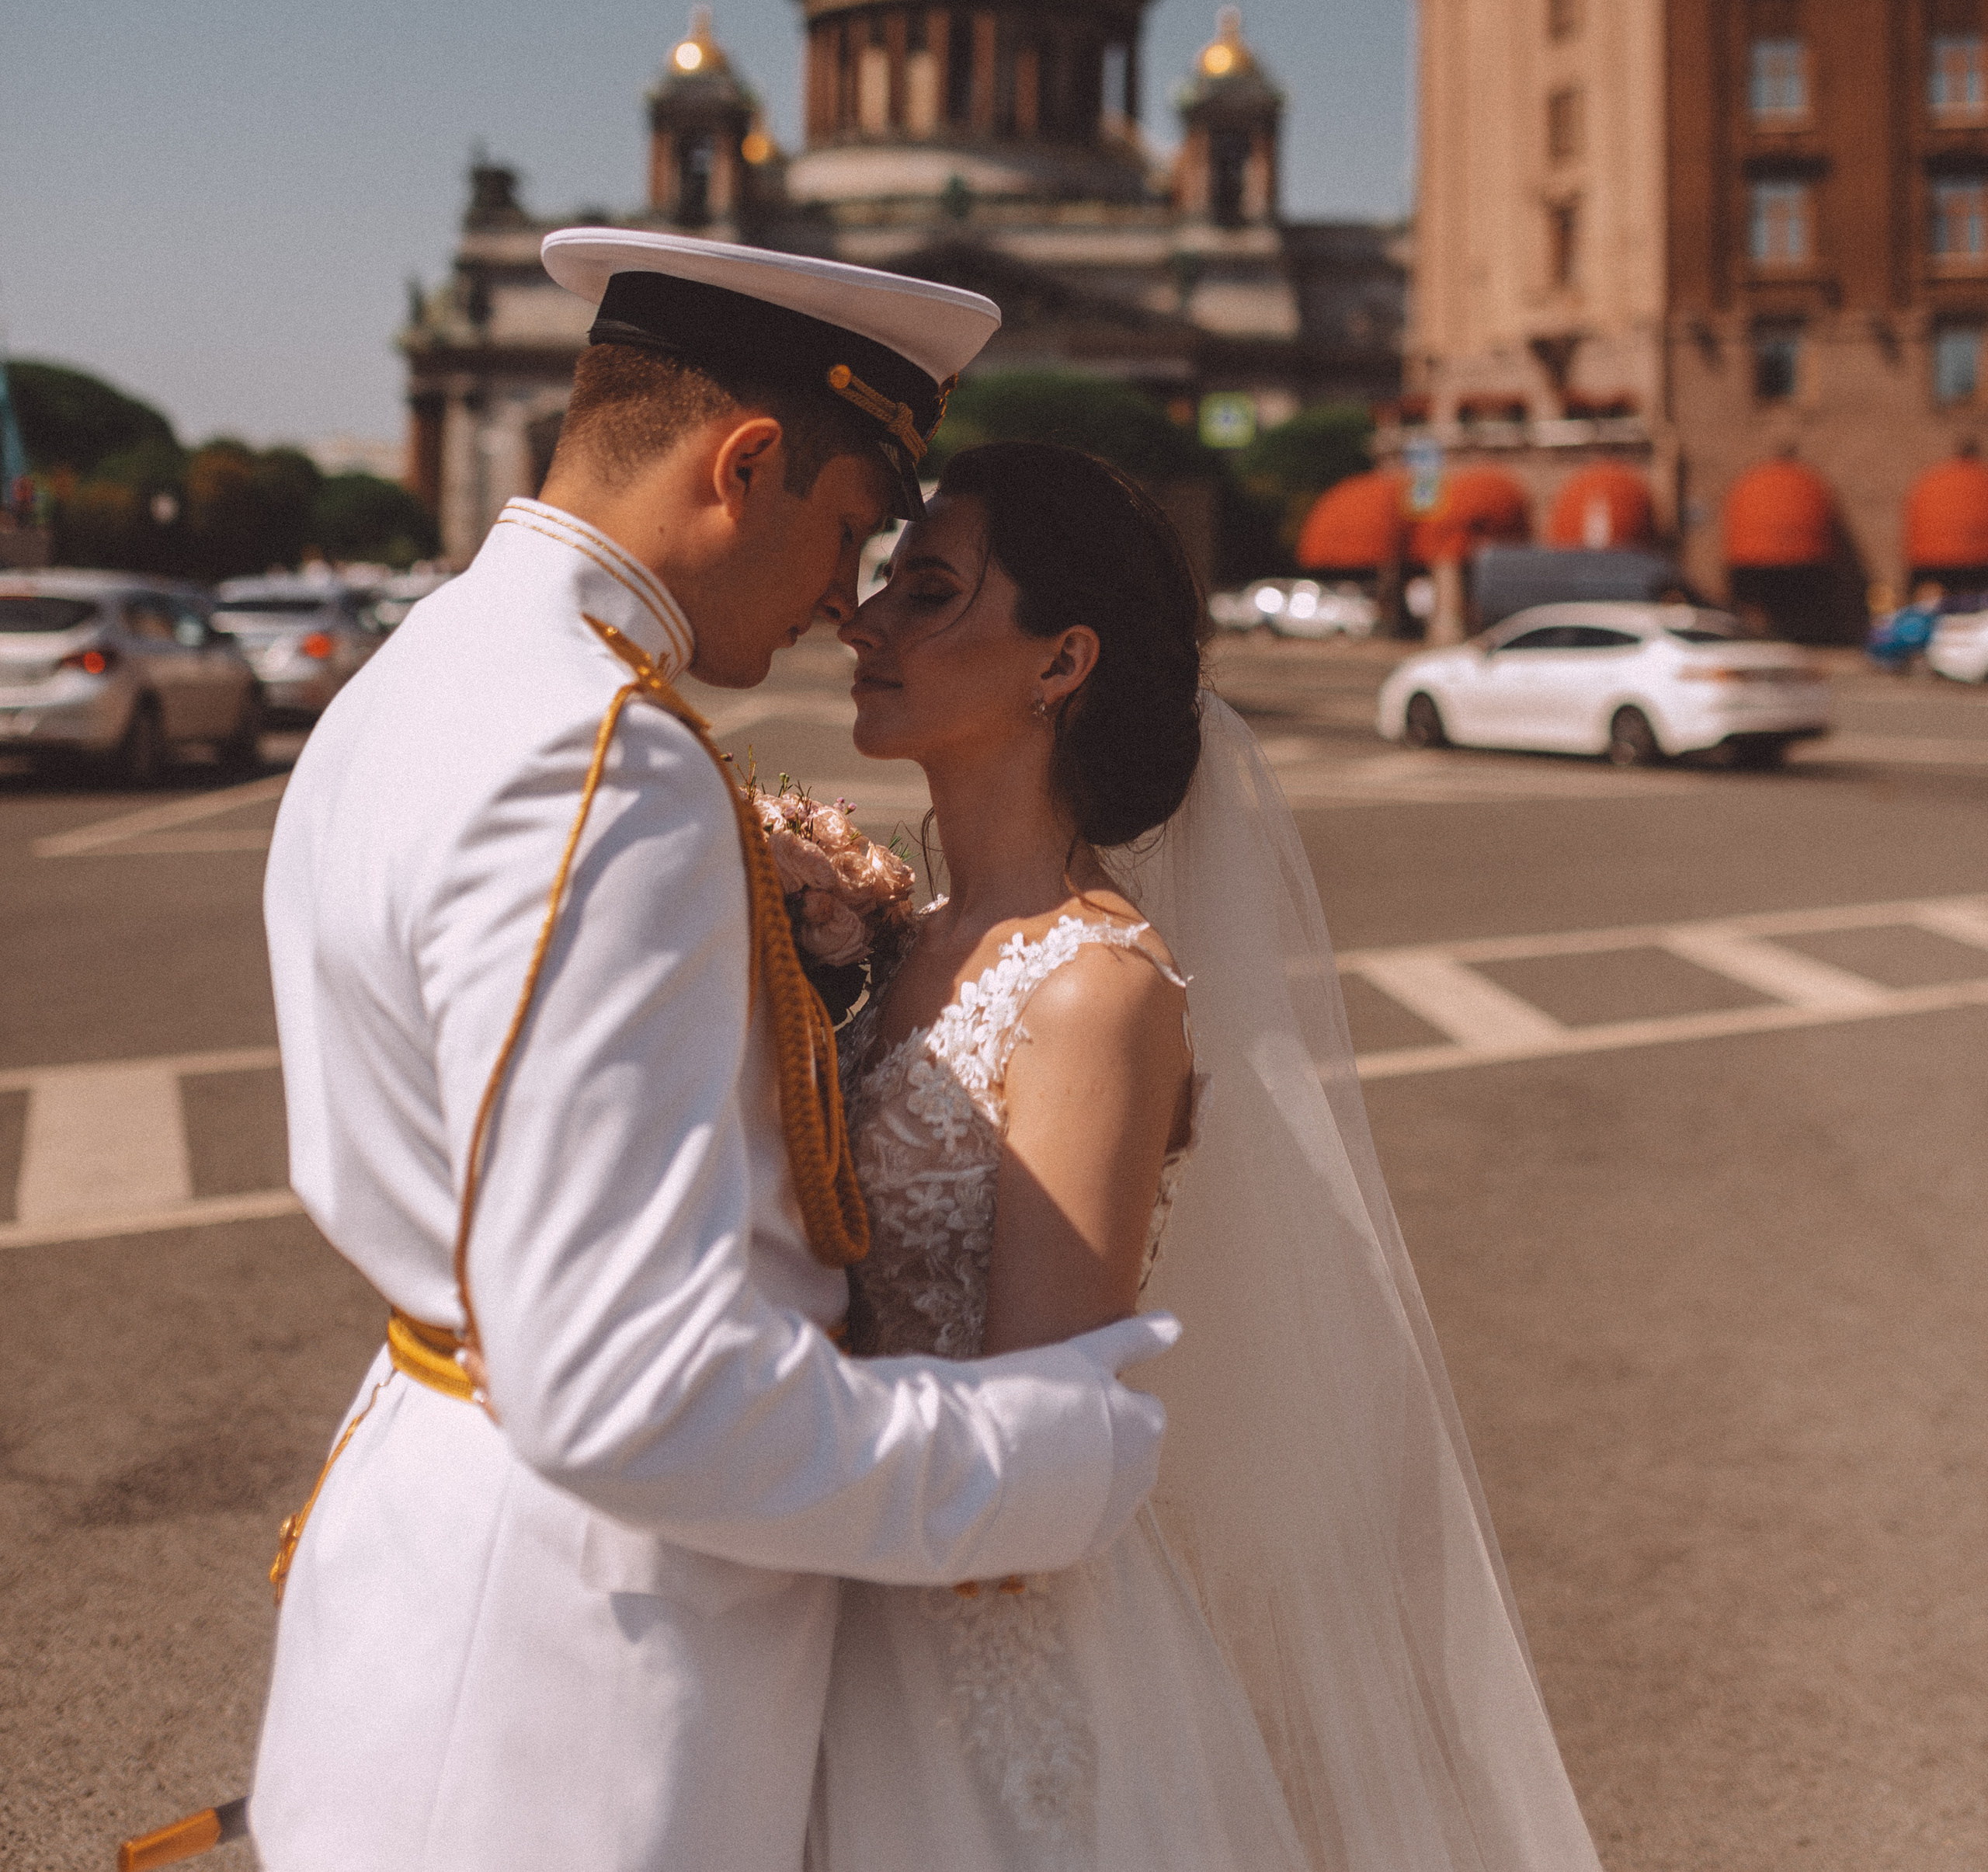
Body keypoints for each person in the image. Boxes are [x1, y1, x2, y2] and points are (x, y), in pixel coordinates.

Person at [250, 234, 1176, 1872]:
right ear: (745, 466)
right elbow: (626, 1387)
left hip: (448, 1562)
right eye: (849, 532)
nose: (843, 602)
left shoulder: (440, 667)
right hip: (575, 1678)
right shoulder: (602, 762)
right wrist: (1043, 1459)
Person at [808, 441, 1606, 1872]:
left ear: (1062, 662)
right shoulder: (898, 942)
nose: (865, 622)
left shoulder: (1092, 990)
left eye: (927, 591)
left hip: (977, 1644)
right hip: (833, 1602)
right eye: (882, 584)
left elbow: (1040, 1422)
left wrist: (723, 1429)